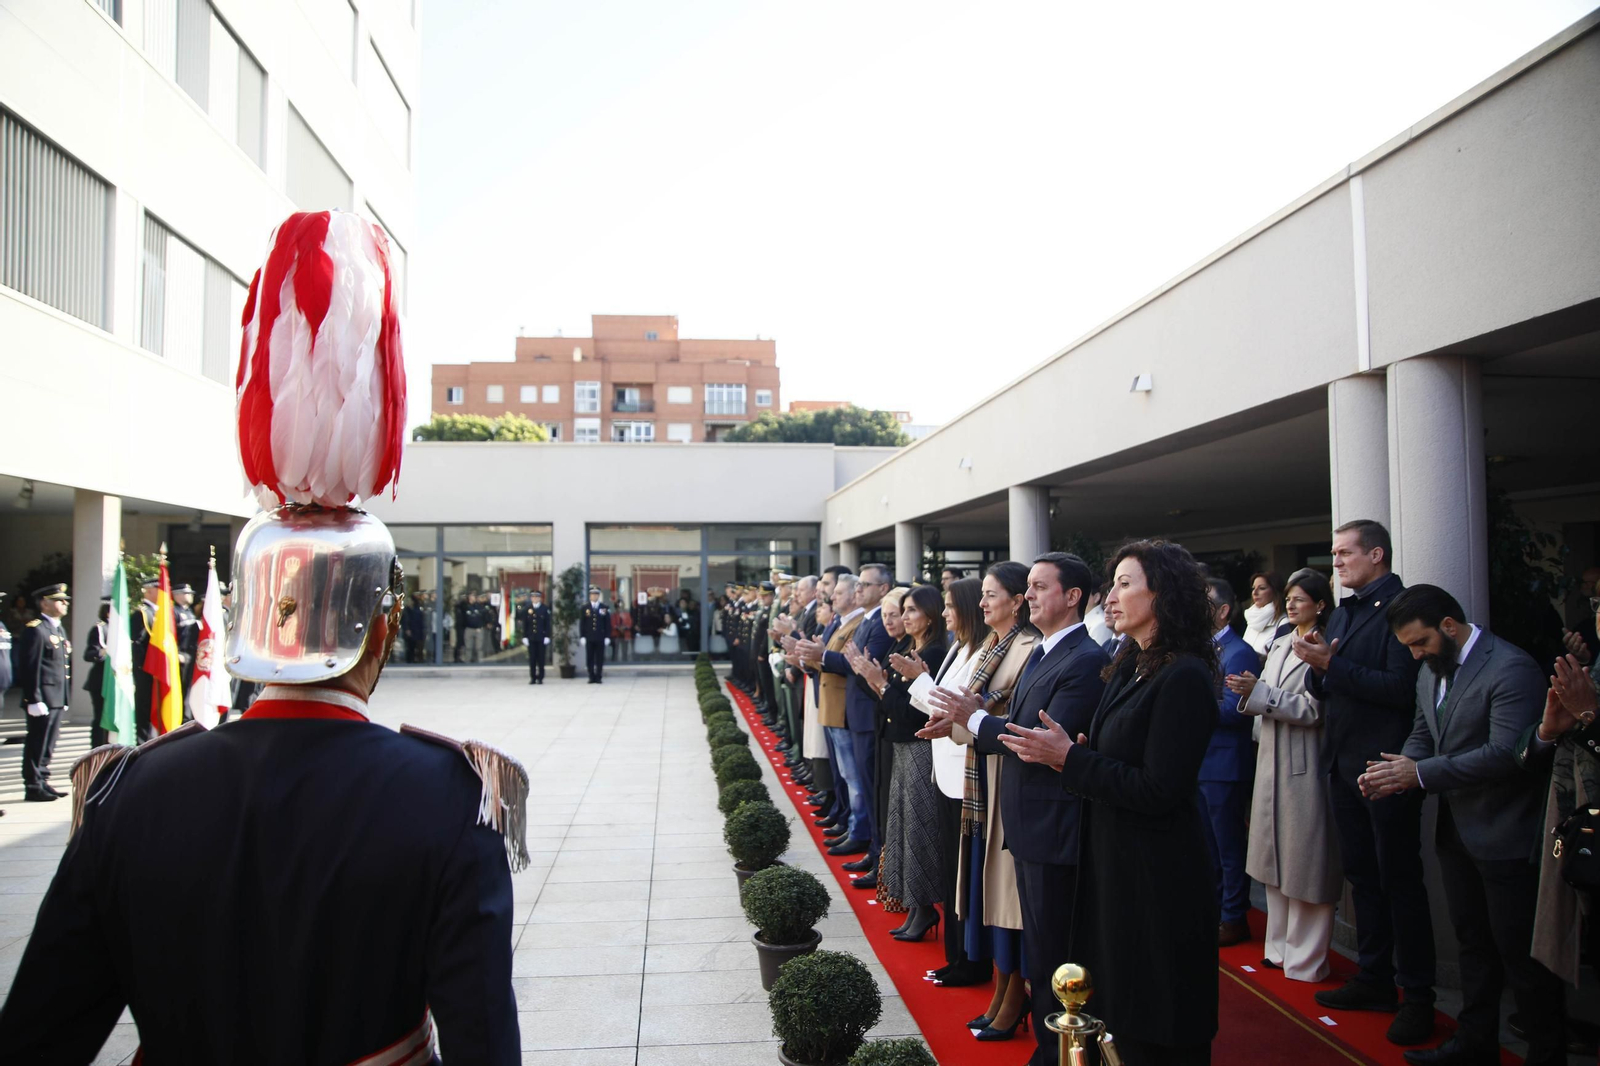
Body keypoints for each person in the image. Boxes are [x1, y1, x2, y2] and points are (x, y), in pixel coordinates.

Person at [1001, 539, 1220, 1065]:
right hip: (1116, 861)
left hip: (1158, 872)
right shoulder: (1130, 663)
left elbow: (1160, 788)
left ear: (1162, 594)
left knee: (1157, 1016)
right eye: (1113, 584)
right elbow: (1111, 758)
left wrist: (1070, 762)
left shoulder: (1184, 675)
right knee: (1118, 1008)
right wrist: (1079, 755)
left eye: (1125, 584)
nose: (1111, 598)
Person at [1358, 585, 1564, 1066]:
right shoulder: (1432, 671)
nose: (1414, 655)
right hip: (1457, 832)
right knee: (1473, 944)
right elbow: (1424, 730)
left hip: (1508, 835)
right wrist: (1400, 769)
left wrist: (1421, 773)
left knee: (1523, 960)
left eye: (1420, 643)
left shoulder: (1510, 668)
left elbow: (1507, 756)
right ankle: (1475, 1045)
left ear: (1449, 626)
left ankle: (1548, 1054)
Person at [946, 553, 1107, 1065]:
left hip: (1052, 825)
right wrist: (970, 722)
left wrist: (975, 721)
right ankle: (1048, 1046)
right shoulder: (1043, 652)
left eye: (1040, 587)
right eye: (1029, 587)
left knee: (1057, 952)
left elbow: (1038, 742)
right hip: (1026, 823)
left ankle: (1061, 1051)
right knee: (1041, 952)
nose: (1030, 595)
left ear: (1073, 596)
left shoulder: (1083, 659)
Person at [1298, 519, 1433, 1044]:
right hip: (1343, 763)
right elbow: (1328, 685)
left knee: (1400, 880)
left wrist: (1333, 664)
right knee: (1363, 877)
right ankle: (1375, 979)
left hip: (1385, 765)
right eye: (1332, 554)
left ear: (1377, 555)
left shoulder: (1399, 610)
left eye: (1344, 553)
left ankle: (1418, 995)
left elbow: (1402, 689)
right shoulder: (1343, 612)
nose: (1335, 562)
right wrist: (1318, 664)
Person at [919, 562, 1039, 1045]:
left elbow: (1004, 710)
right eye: (982, 595)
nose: (984, 602)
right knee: (987, 891)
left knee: (1008, 897)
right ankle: (1004, 986)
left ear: (1017, 601)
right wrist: (948, 723)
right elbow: (972, 708)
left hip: (1006, 775)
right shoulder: (990, 644)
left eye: (994, 595)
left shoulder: (1028, 647)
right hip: (979, 774)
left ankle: (1016, 992)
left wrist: (964, 718)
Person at [1226, 567, 1341, 981]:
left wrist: (1259, 694)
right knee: (1272, 860)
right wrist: (1252, 688)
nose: (1290, 605)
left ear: (1320, 605)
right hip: (1271, 756)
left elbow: (1314, 709)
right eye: (1288, 599)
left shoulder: (1324, 646)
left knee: (1305, 863)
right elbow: (1270, 696)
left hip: (1304, 761)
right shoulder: (1279, 642)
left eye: (1300, 599)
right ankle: (1278, 948)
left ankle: (1307, 959)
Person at [909, 577, 990, 987]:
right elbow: (938, 702)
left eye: (950, 606)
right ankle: (955, 956)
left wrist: (920, 681)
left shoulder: (984, 651)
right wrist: (919, 680)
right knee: (949, 867)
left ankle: (969, 960)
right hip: (946, 767)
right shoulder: (959, 647)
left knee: (964, 873)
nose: (944, 614)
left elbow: (954, 707)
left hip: (966, 772)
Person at [814, 565, 895, 868]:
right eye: (857, 585)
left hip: (866, 712)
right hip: (853, 710)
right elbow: (853, 659)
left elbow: (860, 663)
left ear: (883, 589)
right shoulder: (867, 620)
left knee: (865, 785)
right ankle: (869, 845)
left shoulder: (875, 624)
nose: (858, 589)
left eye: (864, 585)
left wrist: (823, 655)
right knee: (856, 779)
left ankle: (874, 850)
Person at [1202, 577, 1260, 948]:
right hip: (1203, 763)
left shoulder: (1238, 652)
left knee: (1228, 848)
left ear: (1223, 611)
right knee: (1208, 848)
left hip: (1225, 765)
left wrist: (1191, 702)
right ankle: (1216, 911)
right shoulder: (1203, 649)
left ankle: (1234, 917)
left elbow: (1237, 712)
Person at [15, 582, 71, 802]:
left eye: (65, 600)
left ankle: (43, 779)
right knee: (37, 742)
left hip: (56, 697)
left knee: (49, 743)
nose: (64, 604)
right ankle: (33, 785)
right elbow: (30, 667)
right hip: (42, 698)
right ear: (45, 603)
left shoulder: (57, 628)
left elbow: (61, 666)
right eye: (59, 600)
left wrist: (64, 696)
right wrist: (33, 698)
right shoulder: (36, 629)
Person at [129, 578, 159, 742]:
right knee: (145, 710)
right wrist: (146, 668)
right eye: (158, 588)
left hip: (159, 671)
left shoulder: (161, 612)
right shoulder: (141, 613)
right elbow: (137, 644)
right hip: (147, 672)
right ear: (148, 591)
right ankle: (143, 744)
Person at [1243, 571, 1289, 661]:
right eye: (1253, 588)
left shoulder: (1284, 622)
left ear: (1275, 591)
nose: (1255, 593)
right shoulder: (1252, 618)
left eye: (1262, 588)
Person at [84, 601, 111, 748]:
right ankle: (97, 749)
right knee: (101, 718)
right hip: (101, 681)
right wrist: (106, 651)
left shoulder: (120, 629)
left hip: (116, 682)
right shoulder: (100, 629)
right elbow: (89, 654)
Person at [517, 590, 552, 684]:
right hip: (531, 637)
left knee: (541, 658)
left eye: (537, 597)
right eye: (533, 597)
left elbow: (547, 624)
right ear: (531, 598)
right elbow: (525, 624)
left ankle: (540, 677)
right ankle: (532, 677)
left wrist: (547, 636)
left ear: (540, 598)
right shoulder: (527, 609)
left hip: (541, 637)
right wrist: (524, 636)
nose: (535, 598)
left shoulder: (545, 609)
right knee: (532, 659)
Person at [172, 582, 199, 704]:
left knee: (188, 688)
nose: (191, 595)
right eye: (187, 593)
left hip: (191, 654)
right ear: (178, 595)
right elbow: (170, 635)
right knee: (181, 688)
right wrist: (176, 653)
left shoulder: (189, 612)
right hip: (180, 655)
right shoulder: (173, 611)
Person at [579, 585, 610, 683]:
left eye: (596, 594)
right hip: (589, 637)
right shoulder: (585, 608)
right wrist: (582, 636)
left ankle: (599, 676)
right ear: (589, 596)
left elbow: (607, 623)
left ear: (599, 596)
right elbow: (582, 623)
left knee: (599, 658)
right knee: (590, 657)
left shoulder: (604, 607)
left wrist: (607, 636)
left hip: (600, 637)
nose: (594, 596)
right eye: (592, 594)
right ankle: (591, 676)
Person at [401, 591, 426, 663]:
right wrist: (407, 629)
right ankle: (409, 659)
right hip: (411, 630)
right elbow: (405, 620)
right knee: (410, 646)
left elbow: (421, 619)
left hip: (417, 630)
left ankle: (416, 659)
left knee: (417, 645)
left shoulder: (418, 607)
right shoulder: (407, 610)